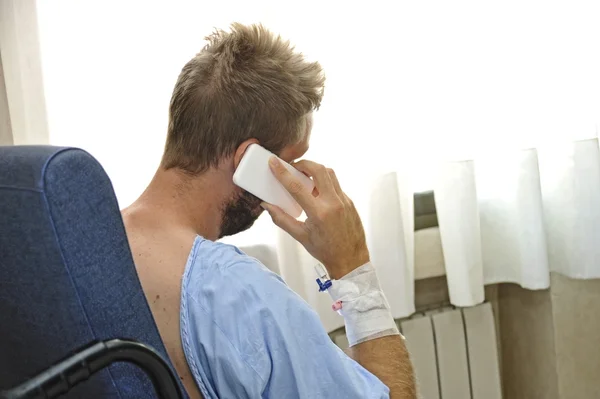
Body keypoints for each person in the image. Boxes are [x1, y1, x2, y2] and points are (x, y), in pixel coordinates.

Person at [122, 23, 416, 399]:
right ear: (251, 161)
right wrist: (353, 270)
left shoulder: (92, 241)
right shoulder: (237, 293)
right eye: (291, 163)